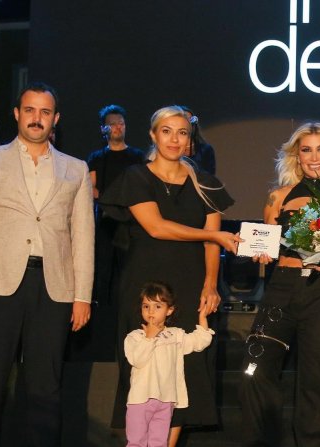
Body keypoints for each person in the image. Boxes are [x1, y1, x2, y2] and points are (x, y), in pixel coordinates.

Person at [0, 82, 94, 447]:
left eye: (45, 112)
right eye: (29, 110)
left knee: (46, 387)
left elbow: (83, 236)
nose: (36, 118)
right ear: (16, 114)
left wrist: (82, 296)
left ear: (55, 119)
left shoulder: (75, 169)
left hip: (54, 288)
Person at [99, 105, 239, 446]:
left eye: (182, 133)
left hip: (190, 286)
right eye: (166, 131)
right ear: (153, 135)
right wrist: (213, 234)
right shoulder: (136, 177)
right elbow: (156, 227)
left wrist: (211, 285)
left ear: (190, 139)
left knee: (184, 371)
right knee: (144, 370)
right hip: (144, 286)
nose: (174, 139)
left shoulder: (205, 184)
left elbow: (212, 244)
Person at [239, 122, 320, 447]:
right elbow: (266, 247)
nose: (314, 157)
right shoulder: (278, 196)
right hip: (281, 290)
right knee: (254, 370)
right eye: (306, 150)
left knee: (318, 381)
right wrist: (260, 254)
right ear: (297, 155)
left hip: (319, 292)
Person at [124, 281, 215, 447]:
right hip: (140, 399)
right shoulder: (135, 337)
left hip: (166, 400)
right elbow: (137, 360)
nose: (151, 311)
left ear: (169, 310)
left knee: (159, 443)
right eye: (146, 306)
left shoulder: (175, 335)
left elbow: (200, 341)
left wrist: (202, 318)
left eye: (158, 306)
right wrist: (149, 337)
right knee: (136, 442)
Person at [86, 105, 146, 305]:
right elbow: (90, 187)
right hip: (105, 221)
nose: (118, 127)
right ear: (104, 128)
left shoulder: (137, 157)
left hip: (131, 222)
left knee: (127, 271)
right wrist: (108, 200)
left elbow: (142, 187)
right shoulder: (97, 158)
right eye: (112, 124)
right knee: (103, 272)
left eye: (121, 123)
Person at [179, 106, 216, 174]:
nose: (187, 124)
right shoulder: (170, 147)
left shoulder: (205, 149)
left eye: (190, 120)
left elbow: (210, 175)